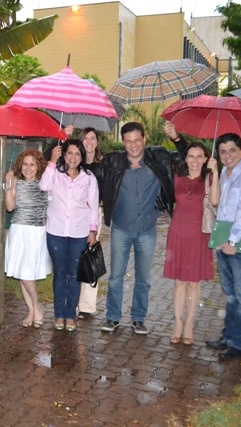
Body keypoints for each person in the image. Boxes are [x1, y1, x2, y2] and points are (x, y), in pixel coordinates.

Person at [90, 122, 186, 335]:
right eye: (128, 141)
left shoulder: (158, 157)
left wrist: (177, 138)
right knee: (116, 277)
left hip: (147, 230)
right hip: (121, 229)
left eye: (137, 140)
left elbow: (186, 161)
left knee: (143, 279)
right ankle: (113, 317)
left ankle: (138, 318)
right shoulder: (113, 161)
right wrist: (80, 145)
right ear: (123, 143)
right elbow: (89, 169)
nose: (133, 145)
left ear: (144, 140)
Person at [162, 123, 220, 346]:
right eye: (191, 156)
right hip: (178, 232)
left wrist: (215, 172)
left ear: (206, 158)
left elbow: (215, 201)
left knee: (194, 283)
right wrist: (175, 136)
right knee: (179, 282)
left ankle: (189, 325)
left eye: (199, 156)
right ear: (185, 159)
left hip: (199, 234)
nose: (195, 160)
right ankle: (178, 322)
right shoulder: (176, 176)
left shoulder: (209, 179)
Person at [205, 133, 241, 361]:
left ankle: (240, 344)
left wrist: (234, 242)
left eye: (232, 150)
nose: (227, 155)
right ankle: (228, 336)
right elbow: (218, 205)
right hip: (223, 240)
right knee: (230, 294)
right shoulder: (226, 175)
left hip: (239, 243)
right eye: (223, 151)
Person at [39, 139, 100, 332]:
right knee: (60, 274)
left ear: (82, 157)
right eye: (70, 153)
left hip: (79, 232)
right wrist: (51, 162)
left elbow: (93, 206)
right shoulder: (55, 174)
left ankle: (70, 315)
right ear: (64, 154)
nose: (73, 157)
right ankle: (59, 314)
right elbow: (43, 186)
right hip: (56, 231)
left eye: (77, 154)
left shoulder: (89, 178)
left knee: (74, 275)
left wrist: (92, 231)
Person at [4, 149, 51, 328]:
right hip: (19, 231)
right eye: (25, 164)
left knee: (27, 273)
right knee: (23, 272)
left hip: (37, 233)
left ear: (38, 165)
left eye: (32, 164)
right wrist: (8, 188)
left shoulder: (45, 183)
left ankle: (35, 307)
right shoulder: (15, 181)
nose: (28, 168)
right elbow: (9, 208)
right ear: (20, 165)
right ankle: (33, 309)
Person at [78, 127, 103, 320]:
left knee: (89, 257)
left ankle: (87, 306)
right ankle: (73, 301)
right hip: (75, 215)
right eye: (85, 138)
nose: (89, 142)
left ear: (97, 141)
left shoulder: (103, 164)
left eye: (92, 138)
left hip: (95, 214)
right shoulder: (73, 162)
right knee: (75, 258)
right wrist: (63, 135)